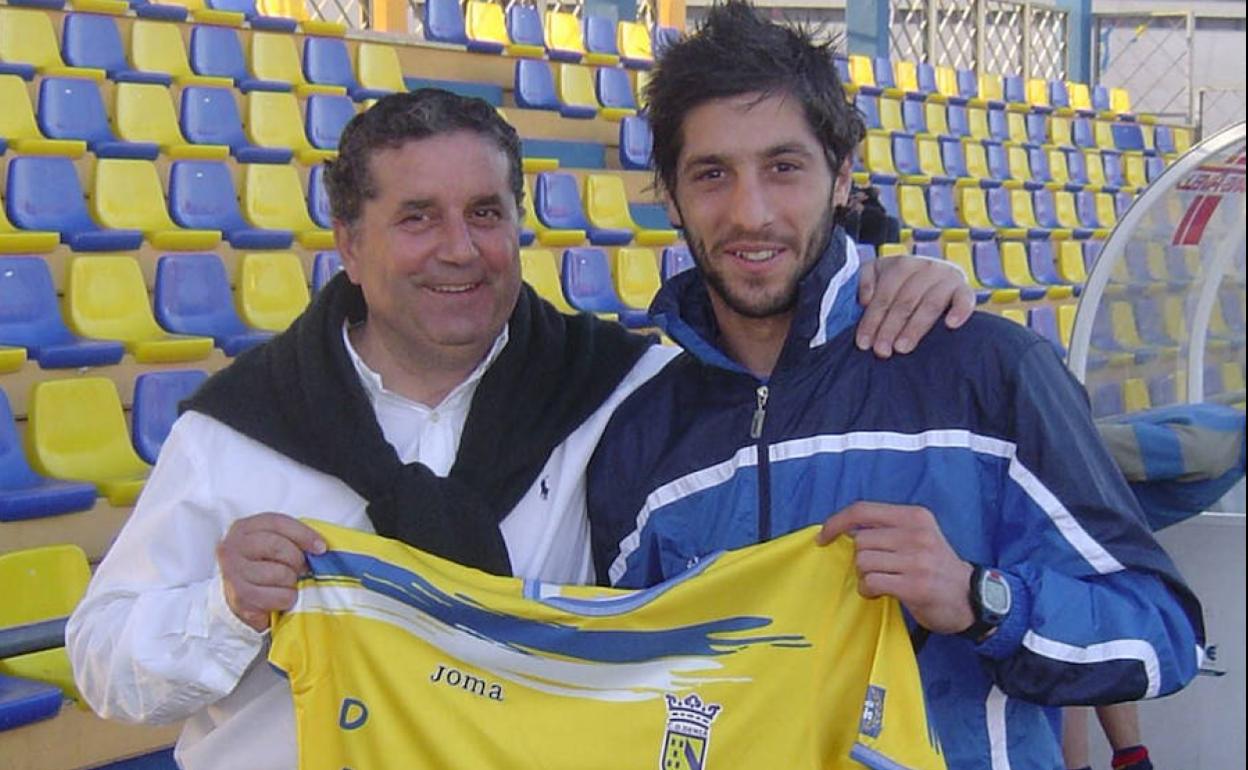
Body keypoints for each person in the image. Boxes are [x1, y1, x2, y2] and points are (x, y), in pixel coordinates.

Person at [65, 88, 972, 770]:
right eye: (416, 218)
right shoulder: (241, 429)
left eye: (485, 214)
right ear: (347, 238)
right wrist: (222, 610)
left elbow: (779, 374)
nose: (458, 249)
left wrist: (887, 283)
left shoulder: (622, 390)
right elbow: (104, 667)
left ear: (519, 227)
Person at [584, 4, 1205, 770]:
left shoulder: (986, 373)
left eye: (784, 167)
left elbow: (1160, 636)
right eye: (712, 175)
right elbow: (623, 695)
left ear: (843, 176)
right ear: (671, 196)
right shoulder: (640, 437)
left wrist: (982, 600)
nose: (749, 212)